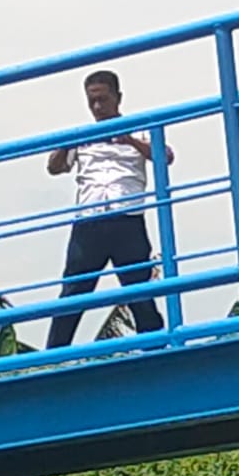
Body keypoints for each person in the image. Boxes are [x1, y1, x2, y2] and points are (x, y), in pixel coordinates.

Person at [45, 70, 172, 347]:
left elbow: (166, 156)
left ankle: (156, 348)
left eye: (103, 99)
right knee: (73, 292)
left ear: (118, 97)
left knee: (139, 292)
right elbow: (54, 167)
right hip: (89, 219)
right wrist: (65, 145)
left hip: (127, 217)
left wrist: (130, 140)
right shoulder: (82, 135)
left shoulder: (138, 129)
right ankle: (52, 356)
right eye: (92, 101)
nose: (97, 107)